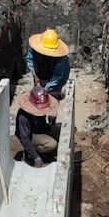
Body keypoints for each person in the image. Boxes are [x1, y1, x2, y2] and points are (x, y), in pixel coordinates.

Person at [16, 27, 70, 166]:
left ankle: (47, 124)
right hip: (41, 76)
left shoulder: (61, 59)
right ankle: (32, 154)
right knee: (51, 143)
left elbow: (59, 76)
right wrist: (36, 78)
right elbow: (30, 61)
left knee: (51, 102)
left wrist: (47, 89)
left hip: (54, 81)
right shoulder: (35, 50)